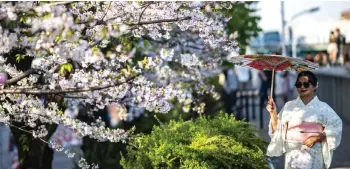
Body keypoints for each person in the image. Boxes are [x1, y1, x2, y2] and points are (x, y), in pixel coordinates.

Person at [266, 71, 342, 169]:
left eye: (306, 84)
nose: (302, 87)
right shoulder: (289, 106)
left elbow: (336, 128)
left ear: (315, 86)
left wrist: (318, 137)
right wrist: (273, 113)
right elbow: (278, 131)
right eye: (299, 84)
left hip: (314, 152)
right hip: (292, 153)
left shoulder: (324, 108)